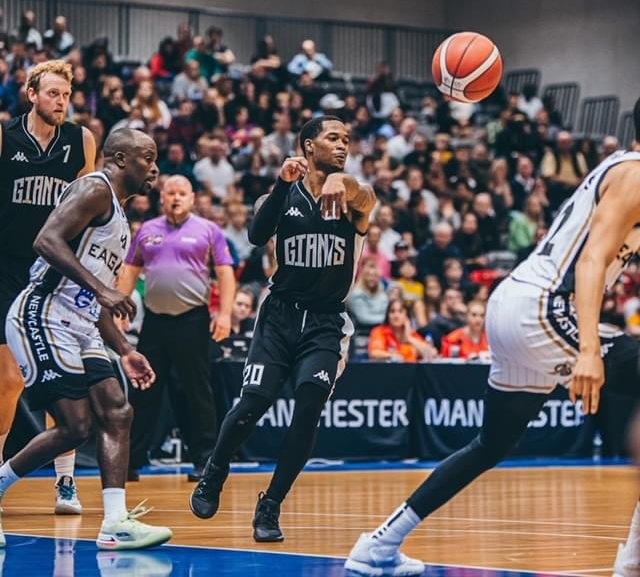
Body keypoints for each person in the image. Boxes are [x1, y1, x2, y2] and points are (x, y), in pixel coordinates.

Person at [345, 102, 640, 576]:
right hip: (544, 307)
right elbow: (590, 260)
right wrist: (589, 349)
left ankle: (378, 546)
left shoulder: (620, 168)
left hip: (516, 304)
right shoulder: (635, 174)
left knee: (491, 444)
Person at [190, 115, 376, 541]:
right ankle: (215, 469)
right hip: (279, 316)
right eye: (333, 138)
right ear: (308, 146)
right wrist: (279, 185)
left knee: (308, 406)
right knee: (253, 401)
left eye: (346, 140)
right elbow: (257, 235)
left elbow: (366, 198)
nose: (342, 145)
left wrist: (342, 183)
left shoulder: (353, 198)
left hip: (327, 322)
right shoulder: (283, 193)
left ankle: (271, 503)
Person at [0, 128, 172, 550]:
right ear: (119, 159)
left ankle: (115, 523)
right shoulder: (95, 189)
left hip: (82, 323)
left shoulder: (122, 222)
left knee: (118, 411)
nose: (154, 168)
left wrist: (125, 350)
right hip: (42, 312)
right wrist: (101, 289)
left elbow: (96, 302)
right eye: (147, 157)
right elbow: (46, 240)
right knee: (75, 426)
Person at [0, 60, 99, 516]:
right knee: (8, 382)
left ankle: (66, 482)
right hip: (6, 266)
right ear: (32, 94)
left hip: (53, 269)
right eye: (53, 93)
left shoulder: (81, 140)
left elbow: (87, 207)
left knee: (62, 376)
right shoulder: (6, 136)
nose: (61, 102)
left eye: (66, 95)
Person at [118, 174, 235, 482]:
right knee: (144, 390)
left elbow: (225, 273)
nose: (176, 198)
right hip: (155, 322)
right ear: (162, 198)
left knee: (197, 393)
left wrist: (224, 314)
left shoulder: (208, 230)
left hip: (192, 320)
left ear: (192, 198)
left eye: (182, 193)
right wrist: (119, 308)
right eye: (171, 193)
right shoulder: (147, 230)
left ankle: (205, 460)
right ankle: (130, 461)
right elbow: (130, 270)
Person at [368, 300, 434, 363]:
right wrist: (394, 356)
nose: (396, 316)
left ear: (406, 316)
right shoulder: (379, 331)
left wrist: (409, 338)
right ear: (387, 315)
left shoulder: (412, 334)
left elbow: (431, 353)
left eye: (400, 311)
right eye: (392, 311)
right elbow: (374, 353)